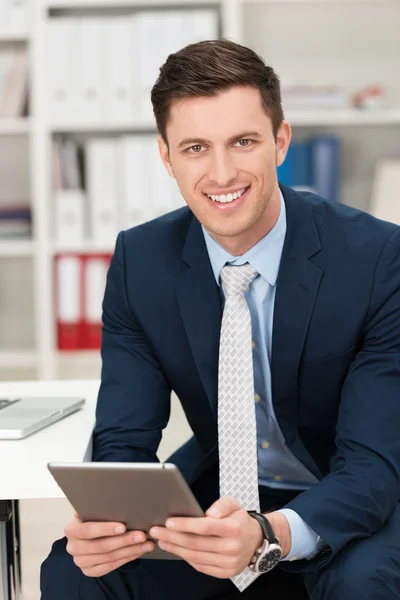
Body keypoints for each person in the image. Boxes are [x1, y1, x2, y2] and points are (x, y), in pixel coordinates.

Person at [40, 39, 400, 600]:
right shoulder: (142, 261)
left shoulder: (376, 259)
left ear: (280, 142)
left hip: (351, 492)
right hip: (225, 488)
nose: (222, 172)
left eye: (243, 141)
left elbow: (372, 464)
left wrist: (269, 535)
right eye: (195, 148)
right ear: (166, 157)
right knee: (74, 570)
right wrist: (110, 526)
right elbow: (123, 440)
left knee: (361, 582)